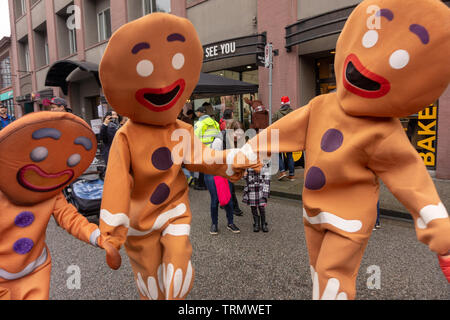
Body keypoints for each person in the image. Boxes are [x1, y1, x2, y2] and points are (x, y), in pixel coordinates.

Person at [212, 120, 245, 216]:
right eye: (236, 134)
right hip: (219, 166)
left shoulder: (238, 140)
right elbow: (215, 156)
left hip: (229, 166)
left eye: (241, 135)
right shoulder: (220, 139)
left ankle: (228, 204)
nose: (238, 137)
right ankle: (233, 208)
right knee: (227, 188)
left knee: (228, 188)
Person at [193, 105, 221, 190]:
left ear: (200, 113)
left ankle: (202, 185)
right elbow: (219, 135)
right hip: (213, 148)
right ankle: (211, 185)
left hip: (203, 148)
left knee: (202, 168)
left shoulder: (199, 124)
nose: (196, 113)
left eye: (197, 112)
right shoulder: (214, 122)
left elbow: (195, 137)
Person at [273, 96, 295, 181]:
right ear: (289, 103)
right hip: (289, 137)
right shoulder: (293, 112)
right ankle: (292, 175)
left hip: (279, 137)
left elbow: (272, 124)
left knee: (277, 154)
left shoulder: (277, 113)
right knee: (289, 155)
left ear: (281, 104)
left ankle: (282, 172)